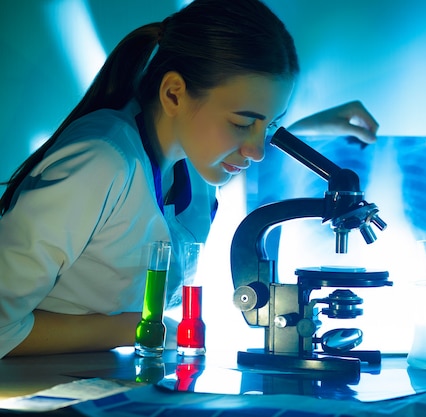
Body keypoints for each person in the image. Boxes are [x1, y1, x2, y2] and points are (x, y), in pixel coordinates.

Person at [0, 0, 378, 358]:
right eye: (243, 122)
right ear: (174, 94)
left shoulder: (191, 165)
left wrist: (313, 130)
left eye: (270, 125)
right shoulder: (101, 162)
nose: (257, 148)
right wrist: (137, 328)